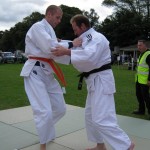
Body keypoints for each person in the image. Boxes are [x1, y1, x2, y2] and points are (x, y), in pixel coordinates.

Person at [52, 14, 134, 150]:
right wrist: (61, 44)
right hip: (93, 81)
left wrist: (67, 51)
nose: (74, 32)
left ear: (83, 26)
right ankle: (100, 145)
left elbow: (89, 56)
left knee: (102, 118)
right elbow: (75, 49)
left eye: (75, 29)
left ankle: (126, 145)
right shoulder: (84, 39)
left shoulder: (96, 38)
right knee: (90, 116)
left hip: (101, 80)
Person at [20, 5, 81, 150]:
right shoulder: (37, 27)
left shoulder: (50, 31)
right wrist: (72, 43)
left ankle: (45, 129)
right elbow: (51, 48)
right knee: (44, 111)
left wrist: (73, 51)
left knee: (60, 109)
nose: (59, 21)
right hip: (34, 71)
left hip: (47, 71)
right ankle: (43, 145)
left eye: (60, 18)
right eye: (57, 17)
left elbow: (56, 51)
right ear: (49, 14)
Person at [132, 40, 150, 119]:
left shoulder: (148, 54)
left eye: (140, 45)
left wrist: (149, 80)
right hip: (139, 80)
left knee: (146, 97)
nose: (138, 47)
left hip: (145, 81)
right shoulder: (141, 54)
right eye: (138, 45)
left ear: (145, 46)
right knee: (139, 96)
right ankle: (141, 110)